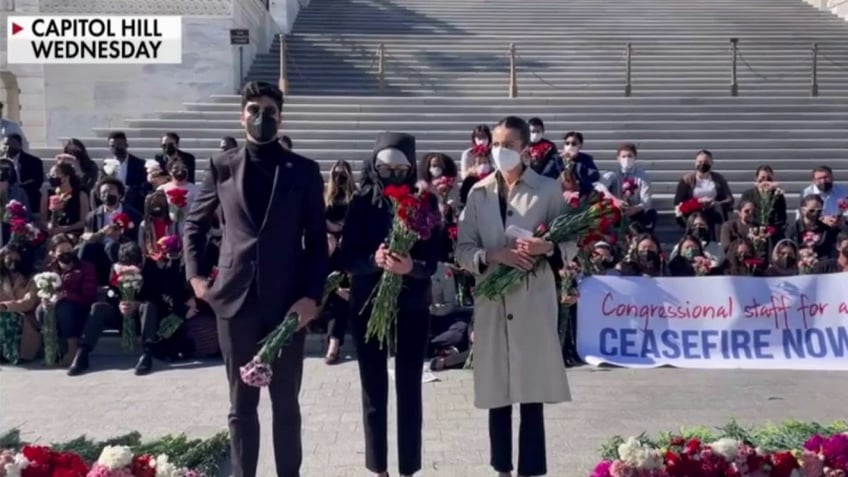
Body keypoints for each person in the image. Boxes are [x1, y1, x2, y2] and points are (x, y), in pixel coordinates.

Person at [183, 81, 328, 477]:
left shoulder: (304, 170)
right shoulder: (222, 165)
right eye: (253, 108)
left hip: (287, 305)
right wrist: (197, 278)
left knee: (286, 405)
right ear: (241, 114)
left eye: (268, 109)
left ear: (280, 116)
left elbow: (317, 241)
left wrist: (311, 297)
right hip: (234, 300)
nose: (260, 115)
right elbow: (193, 225)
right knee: (241, 407)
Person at [456, 116, 570, 477]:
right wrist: (492, 256)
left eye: (508, 144)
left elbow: (570, 243)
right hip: (494, 300)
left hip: (532, 299)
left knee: (531, 391)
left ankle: (531, 470)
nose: (499, 150)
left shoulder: (548, 189)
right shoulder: (478, 192)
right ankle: (502, 468)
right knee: (498, 392)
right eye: (495, 143)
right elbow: (462, 248)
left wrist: (546, 245)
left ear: (525, 148)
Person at [338, 132, 441, 477]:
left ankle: (408, 468)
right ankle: (377, 467)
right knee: (373, 388)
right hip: (368, 305)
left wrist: (411, 267)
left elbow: (434, 259)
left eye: (401, 168)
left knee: (409, 387)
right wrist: (374, 259)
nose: (393, 174)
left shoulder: (424, 202)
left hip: (412, 305)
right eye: (386, 167)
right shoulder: (361, 202)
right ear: (374, 165)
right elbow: (345, 258)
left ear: (411, 168)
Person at [323, 160, 355, 365]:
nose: (339, 178)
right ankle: (334, 343)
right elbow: (318, 220)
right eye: (336, 174)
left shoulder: (355, 196)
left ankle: (334, 344)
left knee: (341, 297)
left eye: (343, 174)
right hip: (329, 251)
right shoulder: (326, 196)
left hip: (347, 253)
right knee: (338, 293)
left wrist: (345, 231)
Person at [673, 150, 734, 237]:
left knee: (717, 211)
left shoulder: (718, 178)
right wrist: (699, 202)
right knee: (698, 218)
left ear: (711, 163)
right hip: (693, 211)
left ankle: (717, 240)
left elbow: (729, 199)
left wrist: (715, 203)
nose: (702, 164)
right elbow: (678, 201)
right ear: (695, 163)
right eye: (700, 162)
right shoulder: (686, 179)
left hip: (713, 210)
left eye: (706, 162)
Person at [597, 143, 656, 231]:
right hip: (617, 209)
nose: (626, 159)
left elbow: (646, 201)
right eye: (623, 156)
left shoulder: (643, 176)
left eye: (629, 156)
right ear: (618, 159)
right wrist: (615, 200)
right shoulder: (613, 173)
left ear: (635, 157)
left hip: (635, 211)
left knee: (651, 214)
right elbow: (599, 186)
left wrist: (635, 209)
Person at [0, 244, 40, 362]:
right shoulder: (2, 278)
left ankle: (12, 354)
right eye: (9, 259)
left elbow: (29, 302)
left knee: (5, 318)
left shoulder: (33, 278)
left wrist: (5, 306)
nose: (13, 262)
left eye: (16, 259)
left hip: (25, 319)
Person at [41, 163, 89, 239]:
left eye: (54, 175)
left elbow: (83, 221)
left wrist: (66, 228)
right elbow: (43, 218)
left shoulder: (81, 195)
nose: (51, 178)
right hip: (52, 233)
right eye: (50, 175)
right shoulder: (47, 194)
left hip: (72, 232)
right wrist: (48, 225)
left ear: (65, 178)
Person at [104, 131, 147, 212]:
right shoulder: (106, 166)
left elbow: (144, 186)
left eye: (119, 145)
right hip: (112, 205)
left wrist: (131, 190)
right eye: (113, 146)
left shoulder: (139, 164)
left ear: (126, 145)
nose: (116, 148)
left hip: (133, 206)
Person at [2, 133, 43, 215]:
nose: (8, 147)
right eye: (6, 144)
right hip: (4, 196)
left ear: (19, 145)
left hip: (26, 195)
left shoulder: (33, 161)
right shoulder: (1, 160)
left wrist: (19, 187)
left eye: (12, 144)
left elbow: (37, 181)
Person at [560, 131, 599, 195]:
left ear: (580, 145)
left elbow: (595, 174)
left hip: (580, 190)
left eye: (574, 144)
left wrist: (581, 181)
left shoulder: (585, 158)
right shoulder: (557, 158)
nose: (570, 146)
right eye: (567, 143)